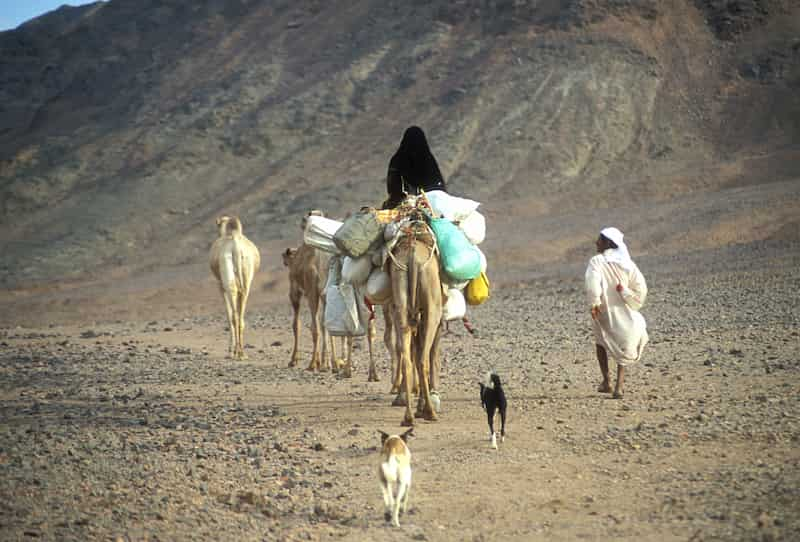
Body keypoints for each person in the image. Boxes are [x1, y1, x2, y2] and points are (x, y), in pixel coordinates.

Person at [585, 227, 648, 398]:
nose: (596, 242)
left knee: (600, 342)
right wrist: (627, 294)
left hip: (603, 311)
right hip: (625, 311)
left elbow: (592, 283)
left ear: (607, 243)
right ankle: (619, 386)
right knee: (625, 342)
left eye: (599, 239)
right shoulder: (628, 264)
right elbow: (641, 290)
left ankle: (607, 382)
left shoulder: (597, 261)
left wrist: (595, 302)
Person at [383, 126, 447, 209]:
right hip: (426, 204)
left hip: (402, 203)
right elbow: (437, 185)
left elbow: (392, 185)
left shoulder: (397, 159)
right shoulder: (427, 159)